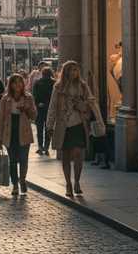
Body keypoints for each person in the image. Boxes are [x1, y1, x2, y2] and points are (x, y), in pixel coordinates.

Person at [47, 60, 98, 197]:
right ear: (66, 72)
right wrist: (49, 125)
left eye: (76, 70)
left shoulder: (83, 86)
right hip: (64, 126)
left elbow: (91, 103)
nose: (74, 72)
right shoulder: (58, 87)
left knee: (78, 155)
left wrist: (81, 104)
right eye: (71, 70)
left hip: (79, 125)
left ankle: (77, 181)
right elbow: (52, 106)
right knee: (66, 157)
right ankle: (68, 184)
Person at [0, 73, 37, 195]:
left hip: (23, 132)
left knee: (23, 159)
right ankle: (15, 185)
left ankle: (22, 180)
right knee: (13, 161)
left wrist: (26, 109)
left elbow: (34, 116)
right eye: (15, 82)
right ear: (11, 85)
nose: (18, 84)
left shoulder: (28, 97)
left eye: (20, 82)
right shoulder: (5, 99)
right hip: (10, 133)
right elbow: (1, 118)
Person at [32, 66, 54, 155]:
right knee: (48, 128)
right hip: (49, 109)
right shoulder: (54, 83)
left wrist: (37, 103)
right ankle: (46, 147)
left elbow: (34, 96)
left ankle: (41, 147)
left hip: (40, 109)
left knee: (40, 129)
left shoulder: (37, 83)